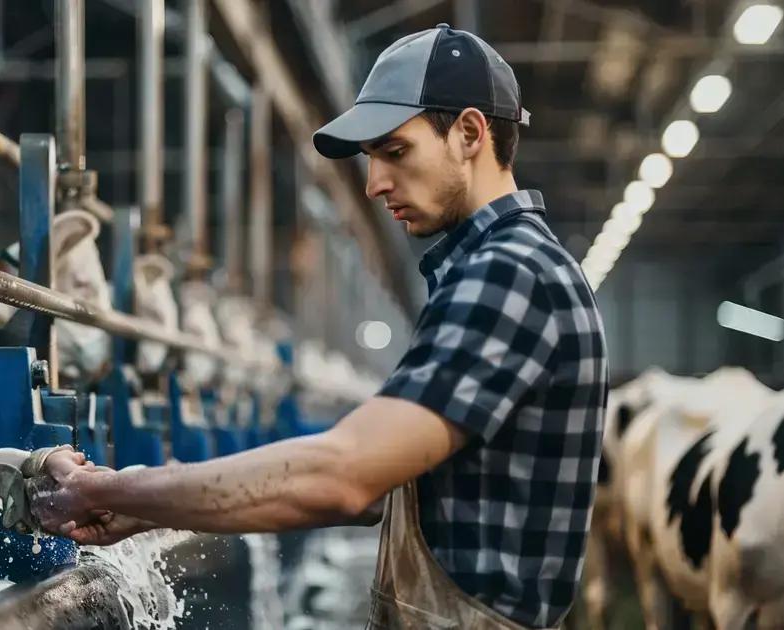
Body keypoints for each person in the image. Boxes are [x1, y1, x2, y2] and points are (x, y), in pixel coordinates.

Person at [36, 24, 608, 630]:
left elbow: (341, 476)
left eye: (395, 152)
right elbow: (381, 489)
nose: (375, 183)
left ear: (469, 133)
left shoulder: (509, 275)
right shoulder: (496, 271)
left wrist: (112, 492)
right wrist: (150, 507)